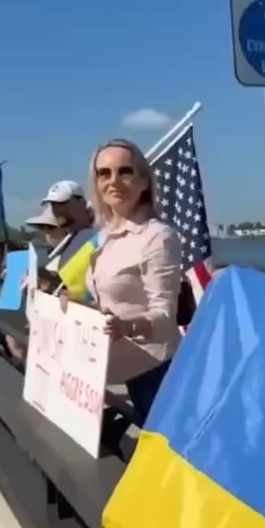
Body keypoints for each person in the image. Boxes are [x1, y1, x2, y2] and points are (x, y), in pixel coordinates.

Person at [61, 138, 183, 424]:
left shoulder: (157, 237)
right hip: (119, 364)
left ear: (143, 182)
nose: (113, 181)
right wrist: (79, 306)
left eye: (125, 171)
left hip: (155, 371)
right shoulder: (103, 237)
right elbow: (110, 305)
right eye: (104, 173)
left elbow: (165, 315)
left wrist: (127, 326)